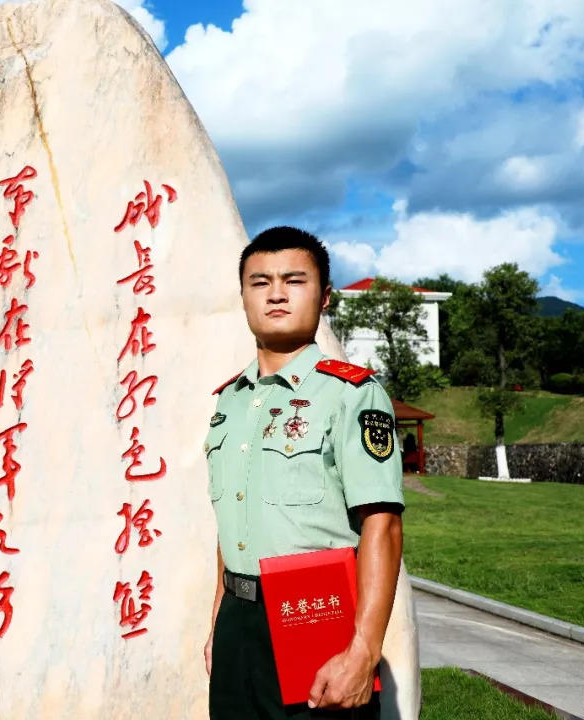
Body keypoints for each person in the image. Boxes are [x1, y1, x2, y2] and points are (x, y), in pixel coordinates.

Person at [203, 226, 405, 719]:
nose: (275, 293)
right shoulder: (230, 401)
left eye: (294, 280)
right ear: (244, 296)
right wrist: (217, 625)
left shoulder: (351, 393)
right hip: (237, 621)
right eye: (260, 281)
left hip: (315, 616)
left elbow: (383, 523)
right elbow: (233, 525)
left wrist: (364, 650)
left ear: (325, 296)